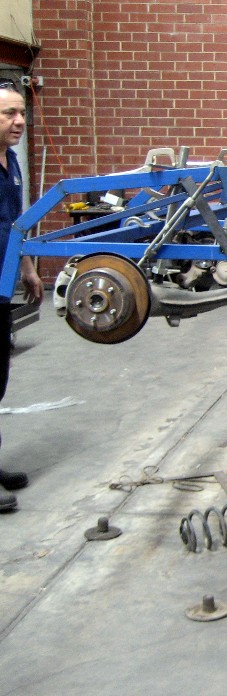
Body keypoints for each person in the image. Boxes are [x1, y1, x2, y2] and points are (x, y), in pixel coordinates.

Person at [0, 80, 44, 512]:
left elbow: (16, 223)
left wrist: (28, 267)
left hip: (2, 286)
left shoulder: (10, 161)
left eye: (21, 113)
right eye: (8, 114)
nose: (19, 122)